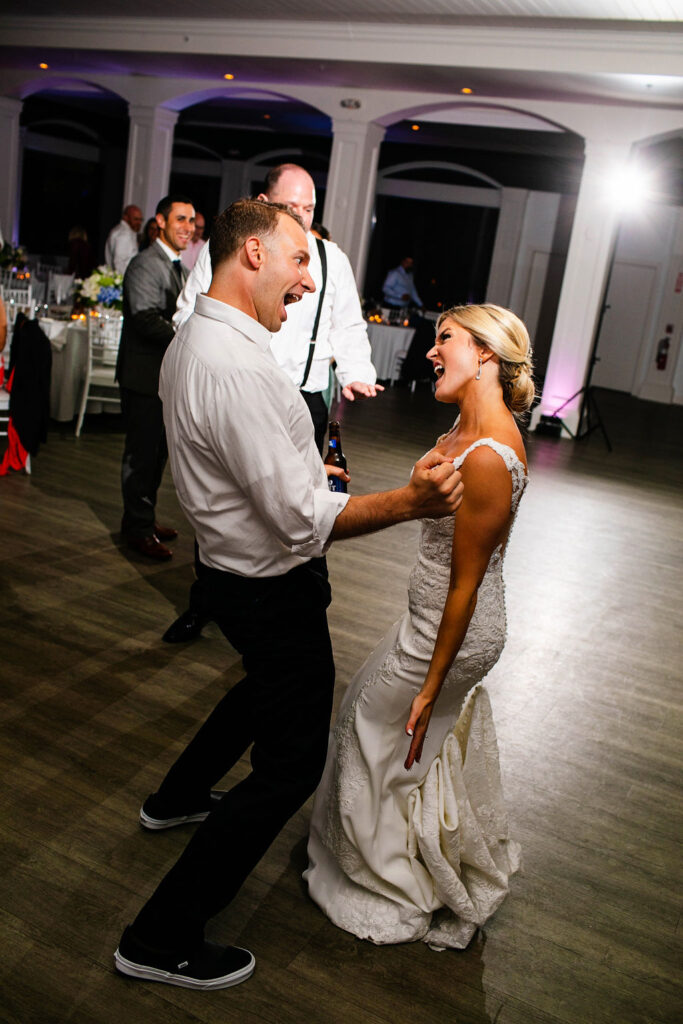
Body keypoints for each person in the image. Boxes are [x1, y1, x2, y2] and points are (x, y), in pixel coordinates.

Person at [113, 199, 464, 992]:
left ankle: (176, 796)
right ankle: (159, 934)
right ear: (251, 257)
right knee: (288, 764)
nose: (310, 281)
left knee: (262, 688)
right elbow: (302, 518)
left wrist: (305, 468)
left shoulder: (206, 339)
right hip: (265, 582)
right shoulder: (230, 364)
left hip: (230, 571)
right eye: (300, 260)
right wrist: (409, 502)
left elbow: (257, 467)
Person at [305, 303, 534, 951]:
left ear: (486, 355)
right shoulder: (459, 430)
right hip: (425, 618)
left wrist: (432, 685)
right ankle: (384, 852)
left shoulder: (488, 455)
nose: (430, 351)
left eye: (445, 340)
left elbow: (466, 582)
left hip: (451, 631)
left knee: (374, 733)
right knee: (374, 727)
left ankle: (393, 880)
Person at [166, 163, 382, 644]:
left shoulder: (330, 259)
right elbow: (190, 313)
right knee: (230, 504)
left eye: (308, 208)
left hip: (303, 397)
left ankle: (299, 597)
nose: (301, 217)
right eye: (290, 207)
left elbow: (346, 323)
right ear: (265, 204)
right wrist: (204, 372)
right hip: (236, 388)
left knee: (304, 488)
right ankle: (212, 603)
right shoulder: (230, 255)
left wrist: (355, 372)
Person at [116, 194, 195, 560]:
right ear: (160, 222)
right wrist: (190, 338)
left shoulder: (178, 265)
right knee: (142, 455)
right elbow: (145, 317)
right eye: (180, 219)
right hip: (143, 376)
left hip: (161, 377)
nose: (188, 227)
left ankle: (143, 520)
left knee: (158, 454)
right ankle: (137, 530)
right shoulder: (146, 263)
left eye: (192, 221)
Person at [104, 204, 144, 274]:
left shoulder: (120, 230)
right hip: (123, 280)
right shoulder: (124, 234)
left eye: (141, 220)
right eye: (136, 219)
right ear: (125, 217)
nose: (139, 223)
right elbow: (119, 264)